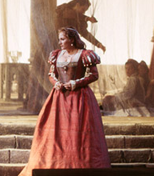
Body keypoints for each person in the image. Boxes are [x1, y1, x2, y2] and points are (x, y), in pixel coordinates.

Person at [19, 27, 110, 175]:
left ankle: (80, 164)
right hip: (59, 96)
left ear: (72, 39)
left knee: (78, 131)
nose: (60, 42)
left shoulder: (85, 54)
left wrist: (75, 83)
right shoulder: (56, 55)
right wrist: (56, 83)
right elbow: (51, 74)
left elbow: (94, 75)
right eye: (59, 39)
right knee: (56, 131)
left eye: (62, 39)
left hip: (80, 97)